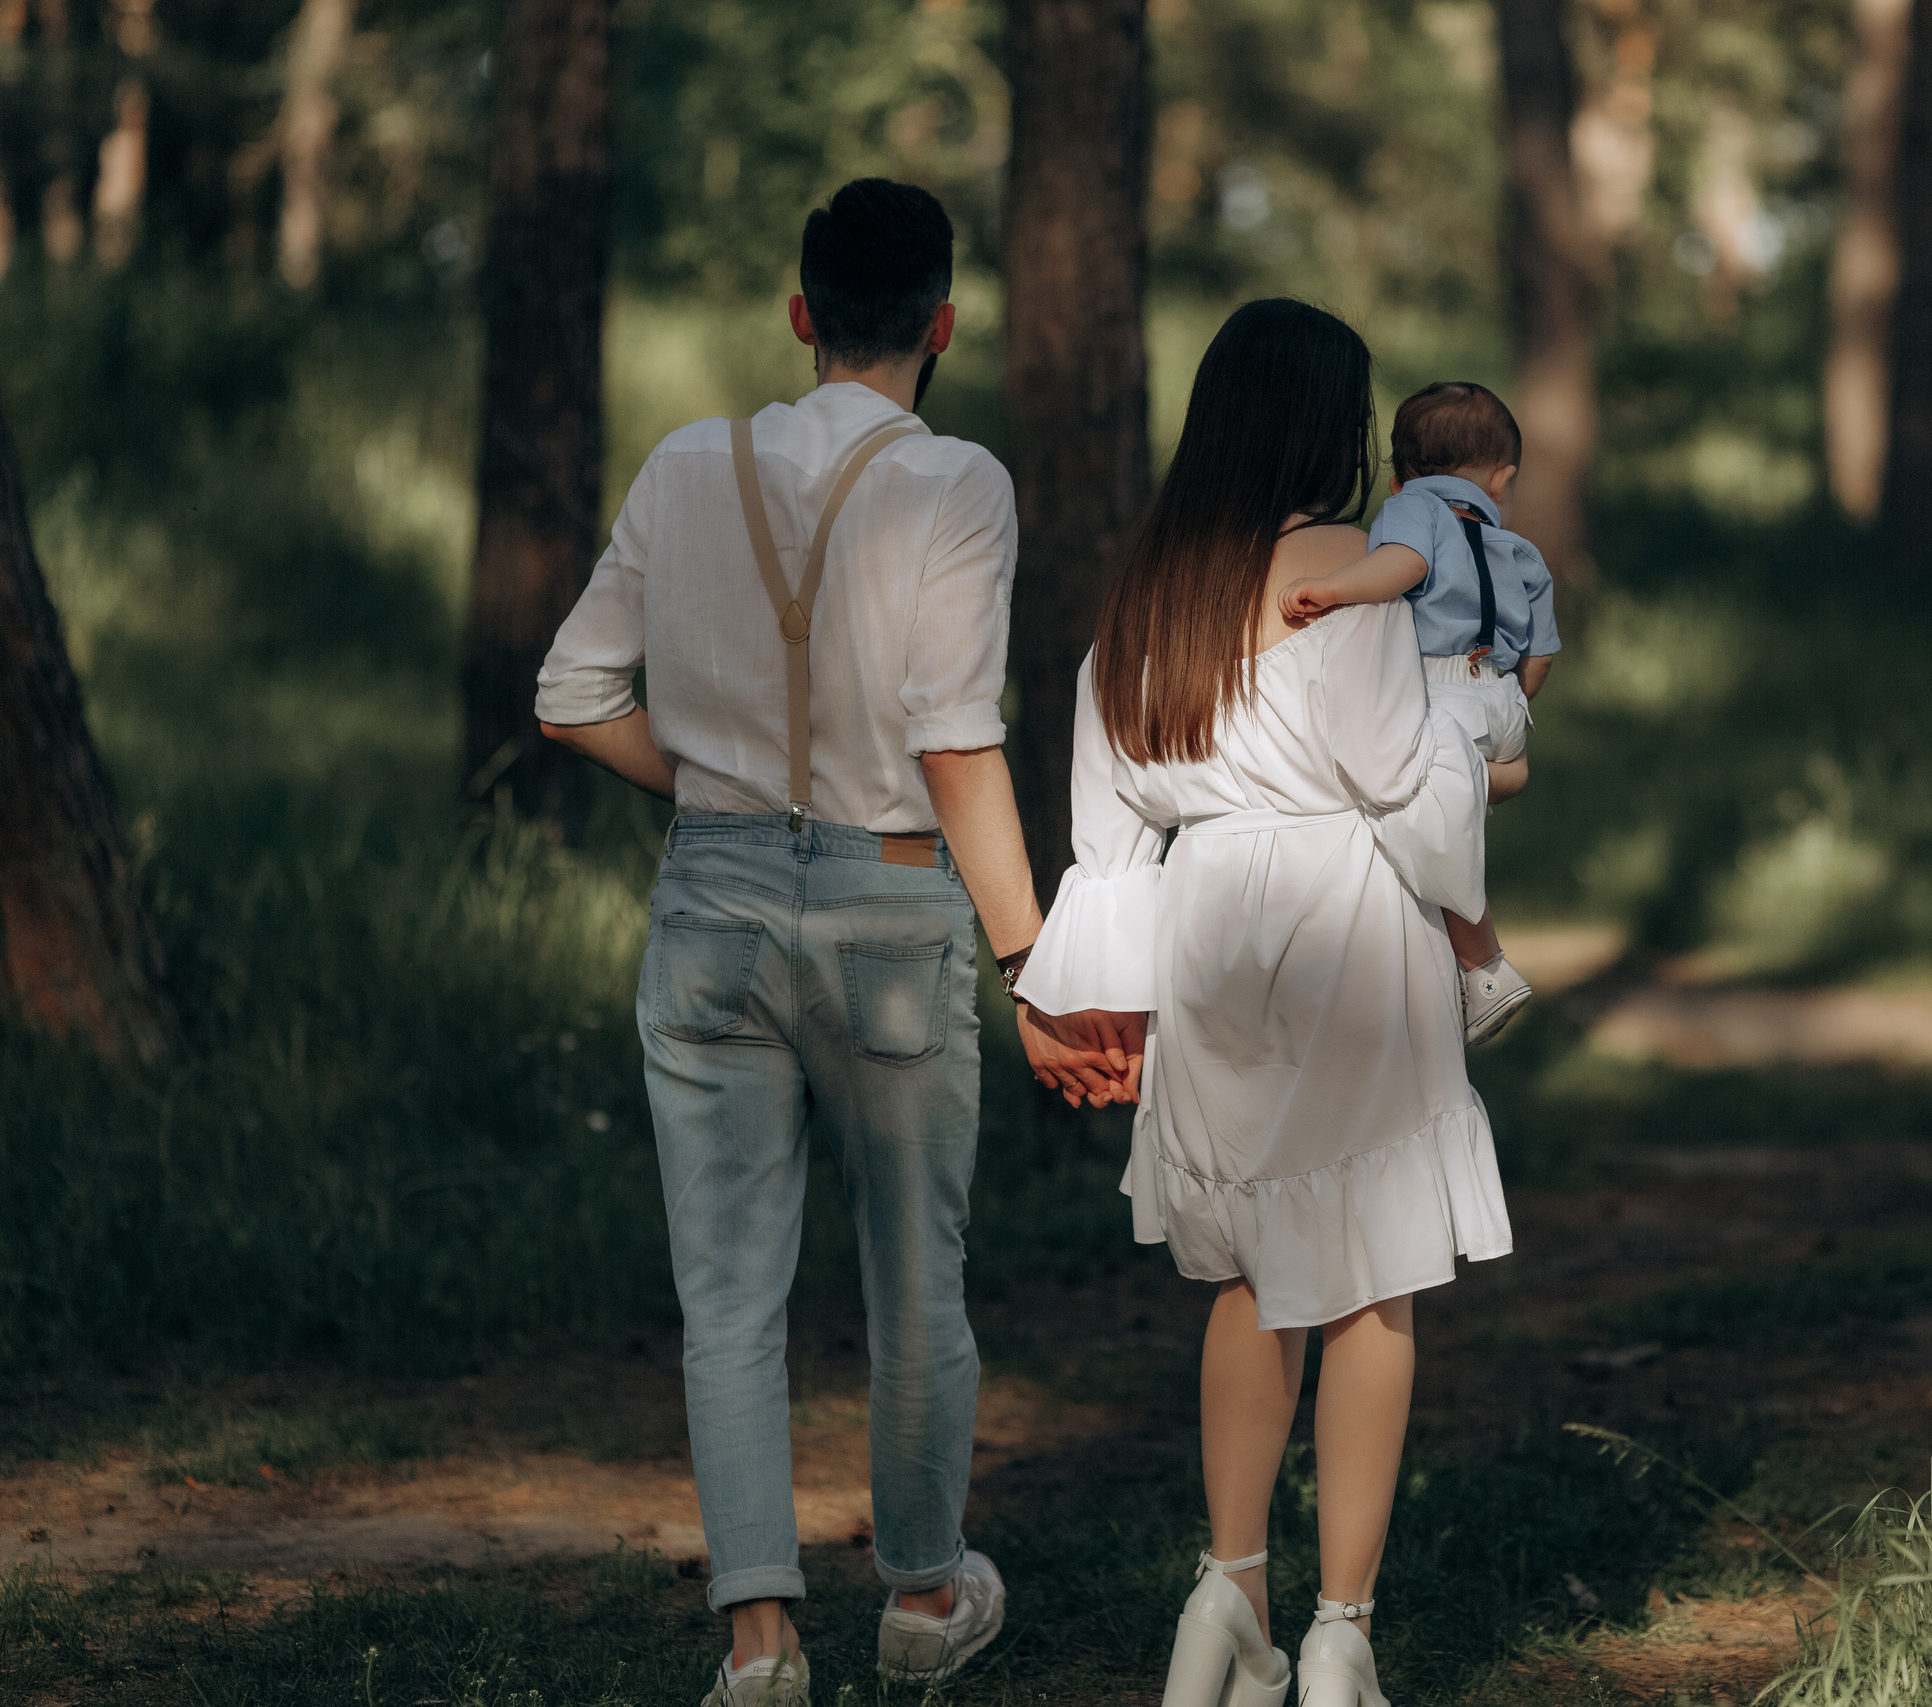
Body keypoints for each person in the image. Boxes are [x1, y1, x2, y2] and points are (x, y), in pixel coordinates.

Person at [532, 179, 1135, 1707]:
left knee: (725, 1291)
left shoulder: (685, 466)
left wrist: (732, 794)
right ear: (943, 323)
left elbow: (573, 694)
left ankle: (758, 1643)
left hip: (711, 910)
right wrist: (1033, 967)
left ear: (800, 316)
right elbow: (954, 739)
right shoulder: (958, 481)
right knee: (913, 1277)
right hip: (889, 910)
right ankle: (926, 1594)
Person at [1012, 299, 1511, 1707]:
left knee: (1247, 1271)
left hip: (1204, 920)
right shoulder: (1346, 567)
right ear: (1331, 427)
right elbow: (1399, 781)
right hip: (1346, 917)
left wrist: (1108, 1003)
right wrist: (1480, 787)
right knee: (1371, 1273)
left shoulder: (1147, 594)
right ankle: (1343, 1627)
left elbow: (1103, 836)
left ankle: (1228, 1588)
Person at [1276, 380, 1561, 1043]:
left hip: (1439, 690)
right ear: (1502, 477)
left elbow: (1400, 567)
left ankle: (1480, 962)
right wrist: (1512, 706)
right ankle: (1463, 964)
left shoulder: (1415, 511)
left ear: (1400, 479)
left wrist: (1334, 588)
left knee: (1409, 810)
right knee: (1447, 815)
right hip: (1502, 695)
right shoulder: (1520, 550)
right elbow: (1543, 652)